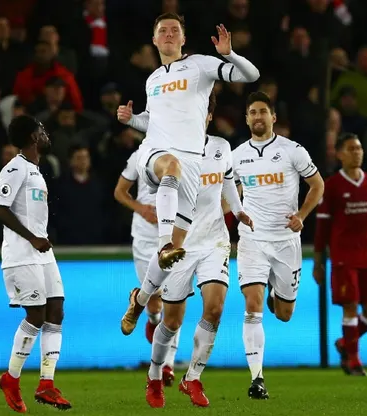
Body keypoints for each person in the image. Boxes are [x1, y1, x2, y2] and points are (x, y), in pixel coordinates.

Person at [116, 12, 260, 336]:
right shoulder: (153, 79)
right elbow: (152, 124)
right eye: (163, 30)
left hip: (190, 167)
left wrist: (229, 54)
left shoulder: (200, 66)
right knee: (171, 168)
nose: (168, 34)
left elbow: (251, 75)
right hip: (155, 156)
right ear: (154, 40)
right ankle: (165, 243)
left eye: (174, 30)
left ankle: (139, 300)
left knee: (170, 257)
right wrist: (132, 120)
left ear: (183, 39)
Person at [141, 93, 254, 408]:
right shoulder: (170, 155)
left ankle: (192, 377)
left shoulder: (221, 147)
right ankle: (154, 375)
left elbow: (227, 180)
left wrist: (238, 210)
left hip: (214, 240)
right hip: (181, 244)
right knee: (172, 321)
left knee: (215, 308)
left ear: (208, 117)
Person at [231, 91, 324, 398]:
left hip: (286, 241)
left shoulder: (292, 150)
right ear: (247, 119)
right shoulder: (236, 156)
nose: (258, 117)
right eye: (252, 113)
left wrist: (302, 215)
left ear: (273, 117)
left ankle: (276, 292)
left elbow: (317, 185)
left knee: (284, 314)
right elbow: (229, 196)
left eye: (262, 112)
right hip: (252, 240)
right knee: (252, 305)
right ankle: (257, 378)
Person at [0, 115, 71, 413]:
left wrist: (40, 239)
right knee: (36, 315)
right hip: (22, 253)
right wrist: (32, 237)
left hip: (41, 252)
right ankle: (11, 379)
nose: (46, 133)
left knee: (56, 310)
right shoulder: (14, 169)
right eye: (41, 130)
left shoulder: (36, 170)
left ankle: (46, 384)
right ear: (32, 137)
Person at [312, 133, 367, 377]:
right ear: (340, 154)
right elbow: (322, 227)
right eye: (351, 149)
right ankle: (355, 361)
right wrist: (318, 261)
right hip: (343, 257)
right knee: (349, 306)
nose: (356, 152)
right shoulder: (332, 185)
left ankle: (345, 343)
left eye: (359, 148)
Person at [114, 148, 170, 352]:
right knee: (154, 298)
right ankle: (151, 316)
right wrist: (141, 209)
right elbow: (120, 192)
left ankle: (167, 363)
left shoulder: (185, 152)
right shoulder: (139, 155)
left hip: (174, 234)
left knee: (173, 296)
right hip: (145, 236)